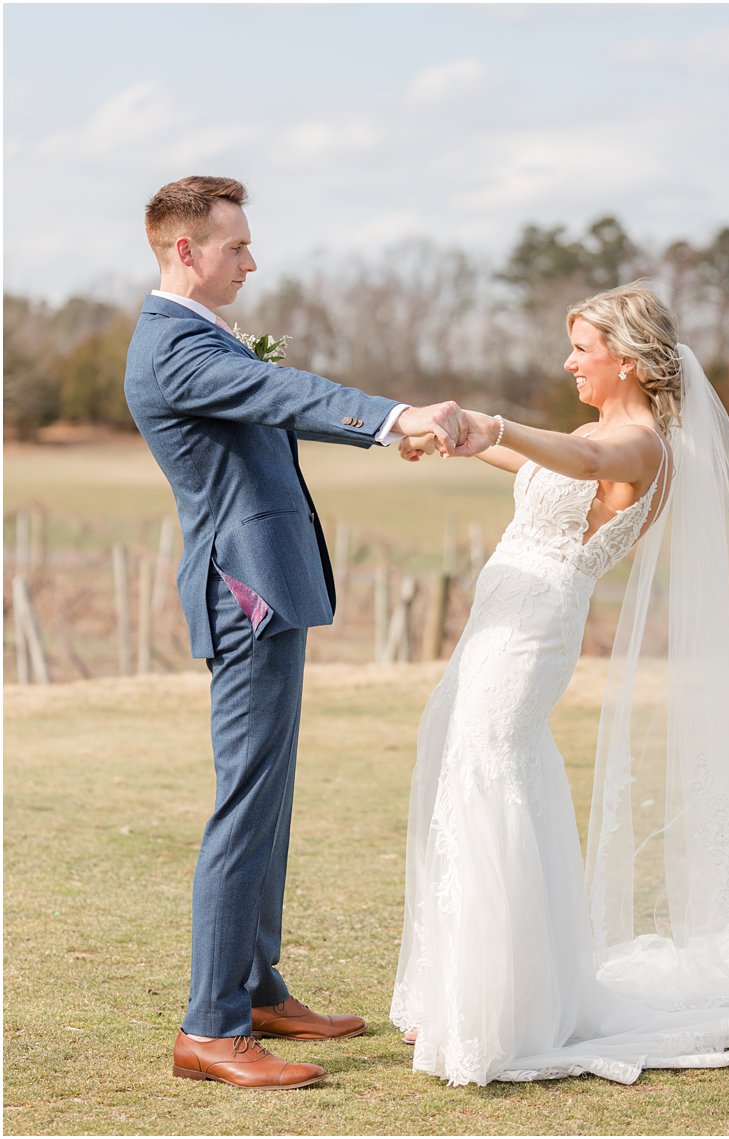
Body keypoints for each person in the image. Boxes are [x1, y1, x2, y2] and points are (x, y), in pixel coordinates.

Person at [123, 176, 489, 1090]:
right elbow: (279, 389)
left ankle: (254, 988)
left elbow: (267, 408)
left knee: (271, 795)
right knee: (245, 801)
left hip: (269, 588)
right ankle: (210, 1026)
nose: (252, 260)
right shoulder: (172, 346)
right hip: (244, 595)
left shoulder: (199, 336)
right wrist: (395, 416)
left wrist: (383, 434)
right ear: (186, 252)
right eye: (237, 245)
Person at [390, 281, 729, 1086]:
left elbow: (583, 460)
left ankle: (500, 1008)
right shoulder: (595, 428)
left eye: (581, 350)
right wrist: (444, 435)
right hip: (503, 607)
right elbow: (533, 458)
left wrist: (491, 420)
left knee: (490, 766)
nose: (568, 363)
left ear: (624, 360)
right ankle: (475, 984)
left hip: (535, 624)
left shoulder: (641, 447)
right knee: (465, 759)